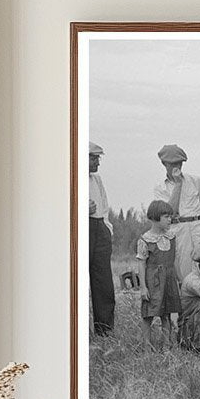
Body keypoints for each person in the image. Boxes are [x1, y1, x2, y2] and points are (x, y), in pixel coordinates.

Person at [153, 144, 200, 282]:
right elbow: (169, 212)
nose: (177, 167)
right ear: (164, 164)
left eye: (180, 163)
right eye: (173, 164)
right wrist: (178, 184)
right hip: (179, 231)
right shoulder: (160, 188)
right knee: (186, 275)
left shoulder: (195, 181)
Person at [135, 199, 180, 351]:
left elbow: (175, 261)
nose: (170, 220)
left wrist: (178, 280)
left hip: (168, 280)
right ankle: (147, 348)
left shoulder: (171, 237)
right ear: (155, 217)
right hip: (153, 281)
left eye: (170, 216)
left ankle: (166, 347)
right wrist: (143, 287)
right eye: (166, 217)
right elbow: (141, 263)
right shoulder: (146, 239)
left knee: (166, 314)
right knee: (148, 314)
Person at [88, 141, 115, 336]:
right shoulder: (68, 177)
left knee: (103, 282)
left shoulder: (97, 180)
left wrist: (107, 228)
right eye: (93, 158)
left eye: (98, 158)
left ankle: (104, 331)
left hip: (100, 229)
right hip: (81, 229)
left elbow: (104, 206)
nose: (97, 162)